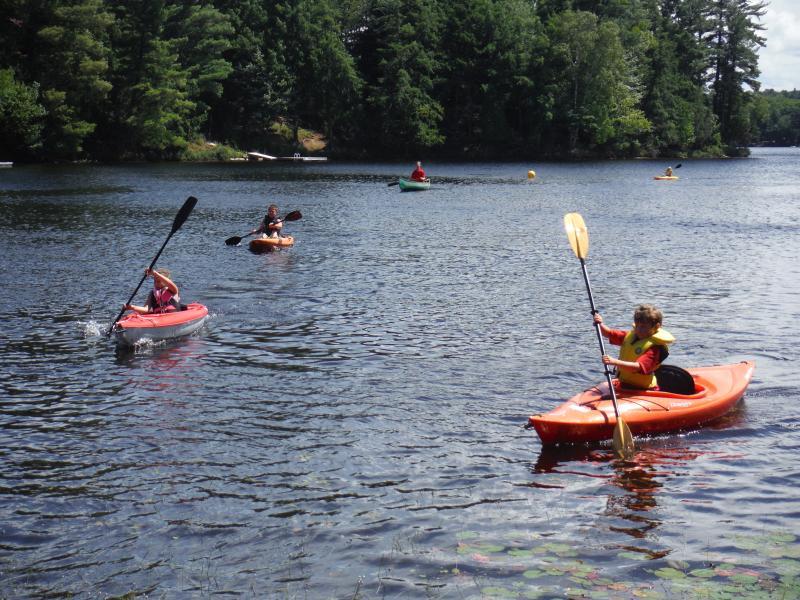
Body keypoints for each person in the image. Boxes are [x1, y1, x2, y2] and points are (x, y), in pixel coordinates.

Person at [593, 303, 674, 390]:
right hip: (624, 384)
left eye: (643, 327)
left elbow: (637, 367)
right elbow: (608, 333)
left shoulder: (655, 348)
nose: (639, 329)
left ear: (656, 326)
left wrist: (614, 362)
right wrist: (600, 323)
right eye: (637, 325)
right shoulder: (631, 335)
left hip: (643, 389)